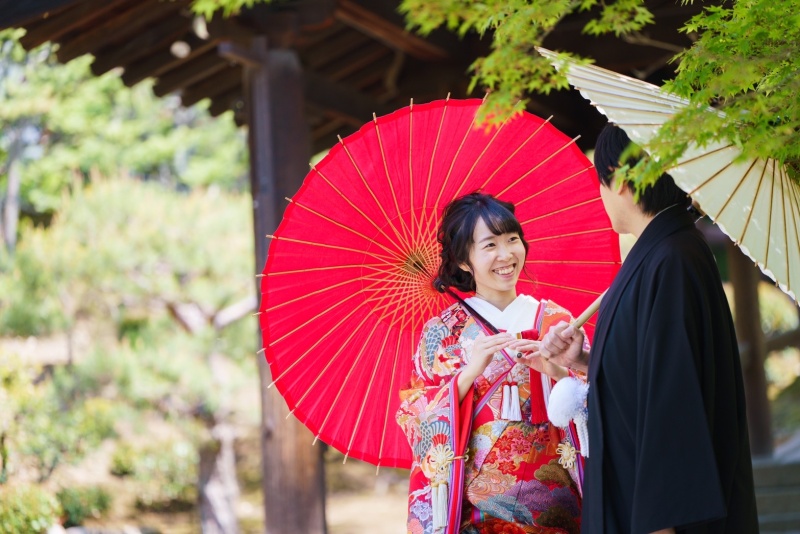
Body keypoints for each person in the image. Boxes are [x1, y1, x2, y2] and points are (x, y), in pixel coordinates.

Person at [535, 124, 759, 533]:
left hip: (654, 516)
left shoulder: (671, 259)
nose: (600, 195)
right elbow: (644, 377)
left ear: (619, 180)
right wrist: (585, 359)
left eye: (599, 181)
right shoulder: (663, 250)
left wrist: (661, 525)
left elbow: (672, 403)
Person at [396, 192, 587, 534]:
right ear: (463, 261)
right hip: (477, 514)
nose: (505, 255)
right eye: (489, 245)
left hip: (559, 510)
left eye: (512, 240)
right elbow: (414, 416)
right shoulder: (443, 334)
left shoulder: (557, 321)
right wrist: (469, 374)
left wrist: (559, 373)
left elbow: (598, 402)